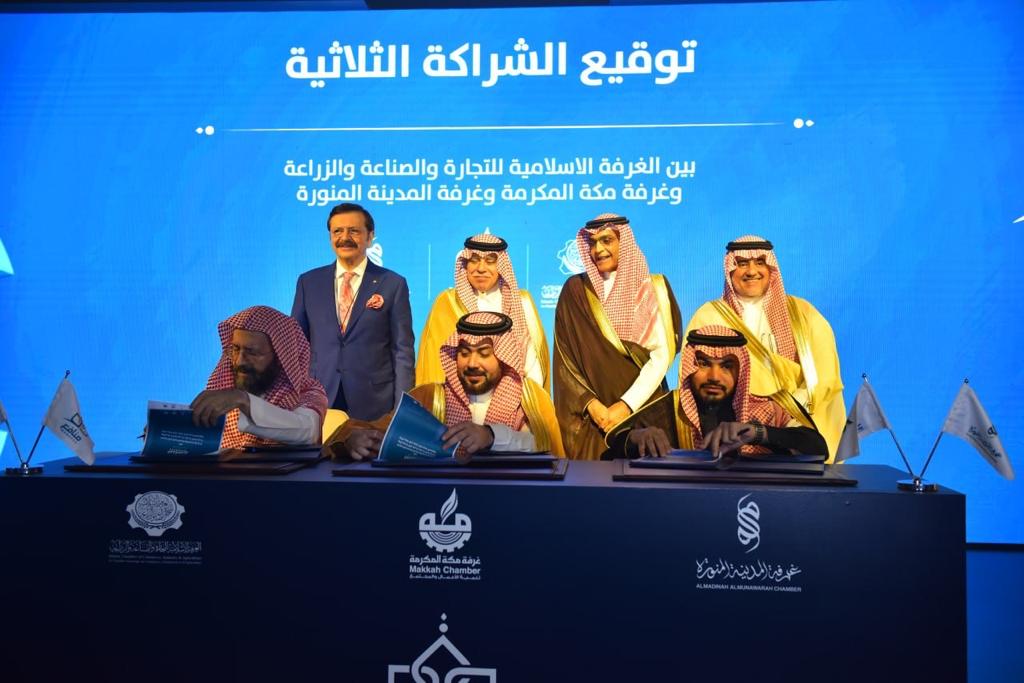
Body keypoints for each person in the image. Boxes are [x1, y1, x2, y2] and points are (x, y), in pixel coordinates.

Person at [685, 235, 845, 460]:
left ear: (771, 267)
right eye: (742, 263)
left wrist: (788, 408)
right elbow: (693, 376)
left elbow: (825, 374)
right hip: (731, 423)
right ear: (730, 269)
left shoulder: (804, 313)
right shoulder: (708, 315)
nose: (751, 271)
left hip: (797, 419)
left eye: (760, 262)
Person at [324, 311, 563, 460]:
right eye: (464, 353)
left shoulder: (531, 399)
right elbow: (371, 431)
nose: (472, 363)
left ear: (503, 357)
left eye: (484, 353)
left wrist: (491, 436)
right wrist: (352, 442)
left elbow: (549, 451)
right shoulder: (429, 396)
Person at [553, 213, 681, 460]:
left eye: (607, 240)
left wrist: (626, 405)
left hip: (644, 412)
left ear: (625, 242)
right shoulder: (575, 290)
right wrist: (593, 406)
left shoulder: (654, 287)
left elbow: (661, 356)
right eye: (593, 243)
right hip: (593, 419)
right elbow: (565, 360)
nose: (598, 250)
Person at [604, 326, 826, 459]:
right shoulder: (668, 408)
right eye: (703, 364)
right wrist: (634, 438)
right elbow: (611, 451)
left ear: (741, 370)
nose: (714, 376)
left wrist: (757, 433)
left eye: (727, 366)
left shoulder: (767, 410)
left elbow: (818, 449)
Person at [291, 202, 415, 421]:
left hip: (374, 403)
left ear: (370, 236)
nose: (344, 238)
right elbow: (295, 347)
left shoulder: (392, 284)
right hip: (319, 399)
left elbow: (402, 351)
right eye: (337, 231)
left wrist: (401, 410)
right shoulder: (308, 283)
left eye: (354, 231)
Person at [416, 233, 548, 391]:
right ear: (466, 264)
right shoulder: (447, 302)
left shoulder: (521, 301)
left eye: (490, 261)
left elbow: (532, 365)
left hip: (513, 397)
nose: (481, 268)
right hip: (458, 399)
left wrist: (528, 399)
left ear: (501, 265)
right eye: (474, 260)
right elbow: (433, 364)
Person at [191, 305, 328, 449]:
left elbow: (307, 432)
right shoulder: (225, 390)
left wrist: (243, 401)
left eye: (252, 352)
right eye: (236, 349)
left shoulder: (307, 392)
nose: (240, 361)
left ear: (280, 357)